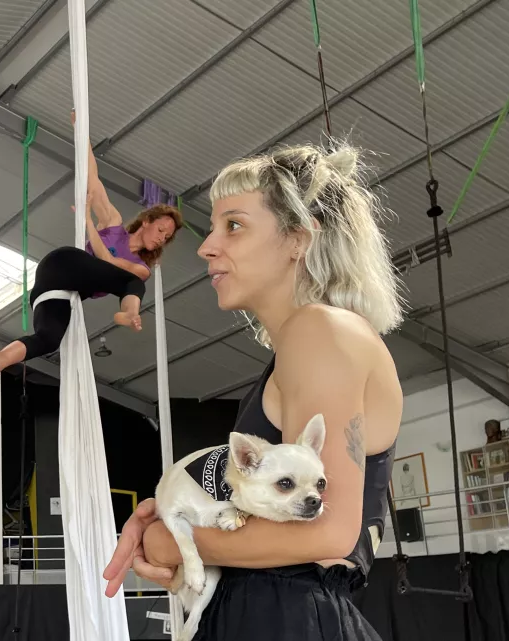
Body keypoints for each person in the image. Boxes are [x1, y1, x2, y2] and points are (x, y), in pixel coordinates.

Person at [103, 141, 403, 640]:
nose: (206, 246)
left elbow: (328, 530)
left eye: (234, 225)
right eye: (214, 227)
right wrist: (174, 508)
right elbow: (265, 509)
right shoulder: (303, 347)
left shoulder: (319, 331)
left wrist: (170, 540)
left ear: (298, 239)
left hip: (283, 617)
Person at [0, 132, 181, 380]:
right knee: (132, 283)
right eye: (161, 230)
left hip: (61, 292)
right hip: (64, 263)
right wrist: (82, 136)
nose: (162, 238)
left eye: (167, 237)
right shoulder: (113, 223)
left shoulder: (141, 268)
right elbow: (92, 178)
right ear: (146, 221)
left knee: (49, 339)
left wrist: (88, 224)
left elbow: (109, 263)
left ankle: (0, 358)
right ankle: (128, 312)